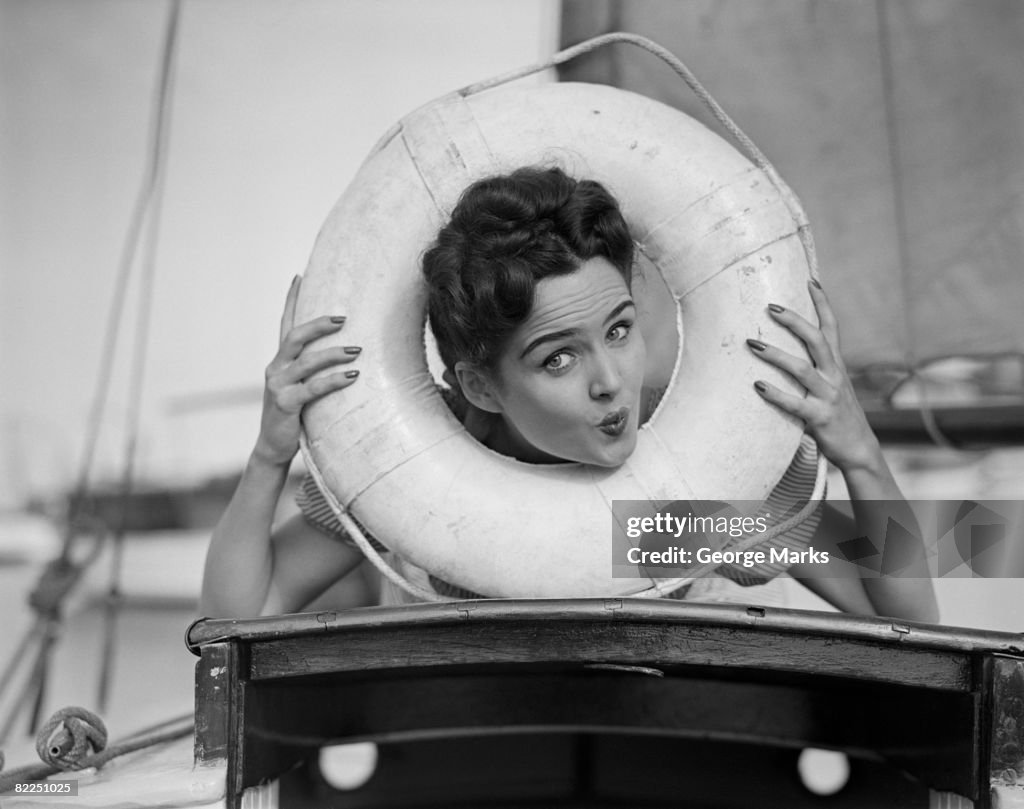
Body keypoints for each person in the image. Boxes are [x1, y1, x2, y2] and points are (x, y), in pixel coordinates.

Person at [200, 167, 938, 623]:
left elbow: (912, 619)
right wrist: (269, 455)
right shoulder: (410, 478)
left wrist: (862, 454)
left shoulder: (704, 484)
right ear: (482, 385)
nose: (609, 382)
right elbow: (231, 623)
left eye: (619, 329)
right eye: (558, 359)